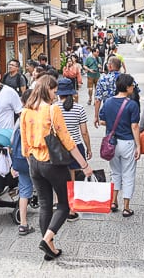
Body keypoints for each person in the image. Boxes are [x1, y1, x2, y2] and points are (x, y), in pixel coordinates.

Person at [21, 76, 93, 261]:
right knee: (64, 204)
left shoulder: (26, 111)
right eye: (53, 91)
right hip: (52, 163)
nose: (55, 94)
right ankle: (47, 240)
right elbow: (67, 141)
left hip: (34, 163)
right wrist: (84, 165)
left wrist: (32, 165)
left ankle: (49, 247)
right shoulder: (52, 110)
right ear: (47, 89)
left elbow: (24, 143)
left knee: (45, 205)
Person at [98, 73, 141, 217]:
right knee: (128, 174)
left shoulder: (108, 102)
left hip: (112, 144)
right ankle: (126, 207)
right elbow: (134, 126)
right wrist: (138, 146)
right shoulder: (132, 104)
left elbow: (102, 120)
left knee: (115, 173)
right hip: (127, 142)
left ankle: (113, 201)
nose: (133, 87)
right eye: (132, 85)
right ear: (128, 87)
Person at [54, 77, 92, 222]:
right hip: (75, 146)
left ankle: (58, 204)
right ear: (72, 93)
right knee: (72, 179)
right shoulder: (79, 108)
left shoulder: (54, 108)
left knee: (58, 177)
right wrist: (88, 148)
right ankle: (71, 209)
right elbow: (84, 132)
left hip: (58, 148)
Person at [10, 90, 35, 236]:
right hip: (35, 158)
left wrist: (13, 163)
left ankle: (23, 224)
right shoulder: (36, 115)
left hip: (20, 159)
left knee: (24, 191)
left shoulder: (21, 117)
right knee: (45, 188)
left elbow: (13, 141)